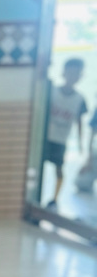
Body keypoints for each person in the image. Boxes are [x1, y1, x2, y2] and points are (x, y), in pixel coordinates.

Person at [44, 58, 88, 209]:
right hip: (45, 138)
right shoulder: (51, 92)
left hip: (61, 140)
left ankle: (54, 199)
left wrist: (81, 145)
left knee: (59, 170)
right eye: (70, 72)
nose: (72, 76)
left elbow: (79, 123)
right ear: (64, 72)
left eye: (76, 73)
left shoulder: (80, 99)